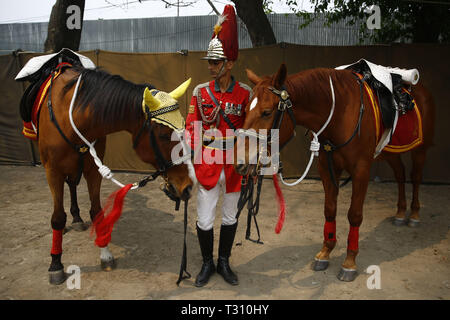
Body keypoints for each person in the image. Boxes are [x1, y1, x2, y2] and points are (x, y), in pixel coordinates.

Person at [185, 4, 252, 287]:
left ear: (230, 63)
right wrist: (188, 159)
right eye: (209, 63)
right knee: (203, 217)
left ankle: (224, 261)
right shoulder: (200, 92)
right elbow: (191, 129)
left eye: (215, 62)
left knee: (229, 215)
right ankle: (206, 263)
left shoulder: (245, 94)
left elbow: (252, 133)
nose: (210, 67)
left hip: (235, 166)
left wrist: (252, 160)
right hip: (208, 163)